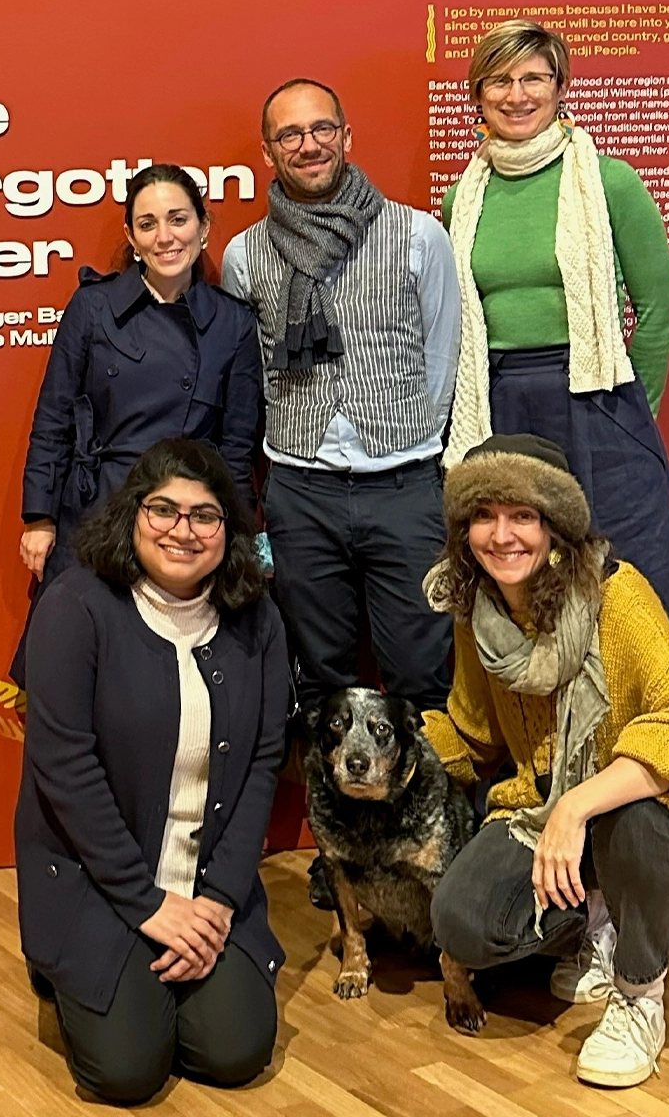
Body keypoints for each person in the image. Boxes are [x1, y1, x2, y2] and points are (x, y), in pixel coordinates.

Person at [440, 19, 669, 947]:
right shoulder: (458, 198)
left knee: (661, 626)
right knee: (523, 614)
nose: (516, 95)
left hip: (598, 402)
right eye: (498, 81)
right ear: (478, 93)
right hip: (503, 408)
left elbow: (653, 310)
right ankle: (572, 836)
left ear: (560, 84)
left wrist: (625, 414)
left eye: (533, 77)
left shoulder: (608, 181)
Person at [424, 434, 669, 1088]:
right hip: (546, 814)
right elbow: (474, 732)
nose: (502, 535)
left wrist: (577, 804)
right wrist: (404, 745)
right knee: (462, 923)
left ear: (557, 525)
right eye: (484, 516)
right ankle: (598, 919)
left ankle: (640, 996)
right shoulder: (480, 613)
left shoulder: (617, 598)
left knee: (631, 818)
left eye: (523, 515)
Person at [220, 78, 460, 909]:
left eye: (323, 129)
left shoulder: (417, 236)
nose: (309, 145)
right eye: (290, 135)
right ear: (268, 153)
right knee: (319, 682)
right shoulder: (246, 256)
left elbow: (444, 358)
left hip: (404, 485)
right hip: (300, 489)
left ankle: (438, 848)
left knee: (423, 674)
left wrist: (408, 443)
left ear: (348, 136)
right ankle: (343, 852)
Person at [17, 438, 291, 1105]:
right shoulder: (75, 607)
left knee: (236, 1051)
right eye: (163, 510)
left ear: (229, 528)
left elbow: (262, 763)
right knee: (127, 1072)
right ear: (132, 515)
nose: (183, 530)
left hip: (205, 887)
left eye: (205, 515)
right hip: (100, 880)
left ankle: (155, 979)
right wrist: (149, 905)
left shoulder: (257, 618)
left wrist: (220, 902)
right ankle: (66, 972)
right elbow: (65, 770)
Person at [19, 164, 262, 588]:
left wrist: (240, 540)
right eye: (148, 224)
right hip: (97, 511)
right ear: (132, 238)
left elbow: (236, 452)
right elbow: (54, 418)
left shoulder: (233, 322)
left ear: (203, 227)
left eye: (178, 219)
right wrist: (39, 518)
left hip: (182, 528)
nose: (164, 237)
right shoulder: (93, 307)